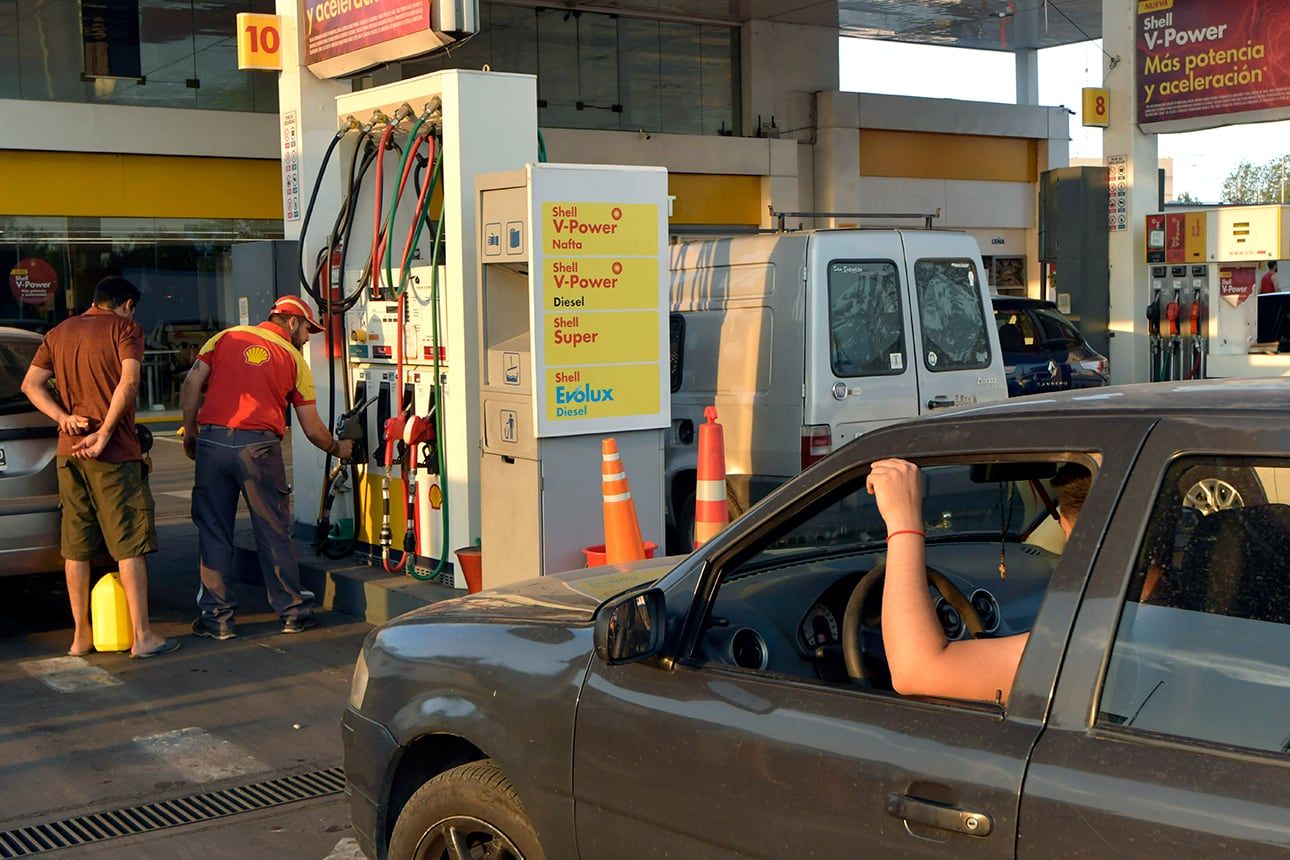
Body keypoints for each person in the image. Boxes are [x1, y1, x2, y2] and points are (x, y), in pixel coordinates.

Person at [19, 276, 179, 659]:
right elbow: (129, 382)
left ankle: (80, 637)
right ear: (125, 304)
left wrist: (63, 417)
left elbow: (30, 385)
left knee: (76, 547)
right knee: (128, 544)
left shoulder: (58, 333)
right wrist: (106, 432)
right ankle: (142, 637)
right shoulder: (126, 328)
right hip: (114, 454)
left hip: (69, 452)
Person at [180, 295, 354, 640]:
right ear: (291, 322)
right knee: (272, 530)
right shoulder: (293, 359)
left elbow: (191, 383)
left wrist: (191, 429)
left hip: (213, 443)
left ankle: (218, 620)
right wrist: (339, 448)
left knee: (214, 530)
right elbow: (312, 427)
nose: (308, 338)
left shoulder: (225, 337)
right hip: (259, 448)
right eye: (307, 330)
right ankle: (292, 612)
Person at [866, 459, 1090, 704]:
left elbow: (916, 670)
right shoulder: (1125, 622)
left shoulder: (1090, 643)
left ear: (1071, 532)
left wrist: (903, 521)